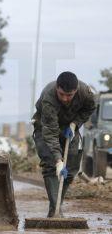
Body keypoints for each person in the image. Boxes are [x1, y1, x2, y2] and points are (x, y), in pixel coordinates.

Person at [32, 71, 96, 217]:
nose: (65, 99)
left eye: (69, 95)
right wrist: (58, 160)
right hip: (45, 127)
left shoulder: (85, 92)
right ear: (57, 89)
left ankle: (57, 204)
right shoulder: (49, 97)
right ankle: (55, 210)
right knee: (50, 165)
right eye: (62, 94)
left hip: (69, 127)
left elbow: (90, 108)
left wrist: (75, 124)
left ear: (76, 90)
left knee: (71, 167)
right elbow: (51, 133)